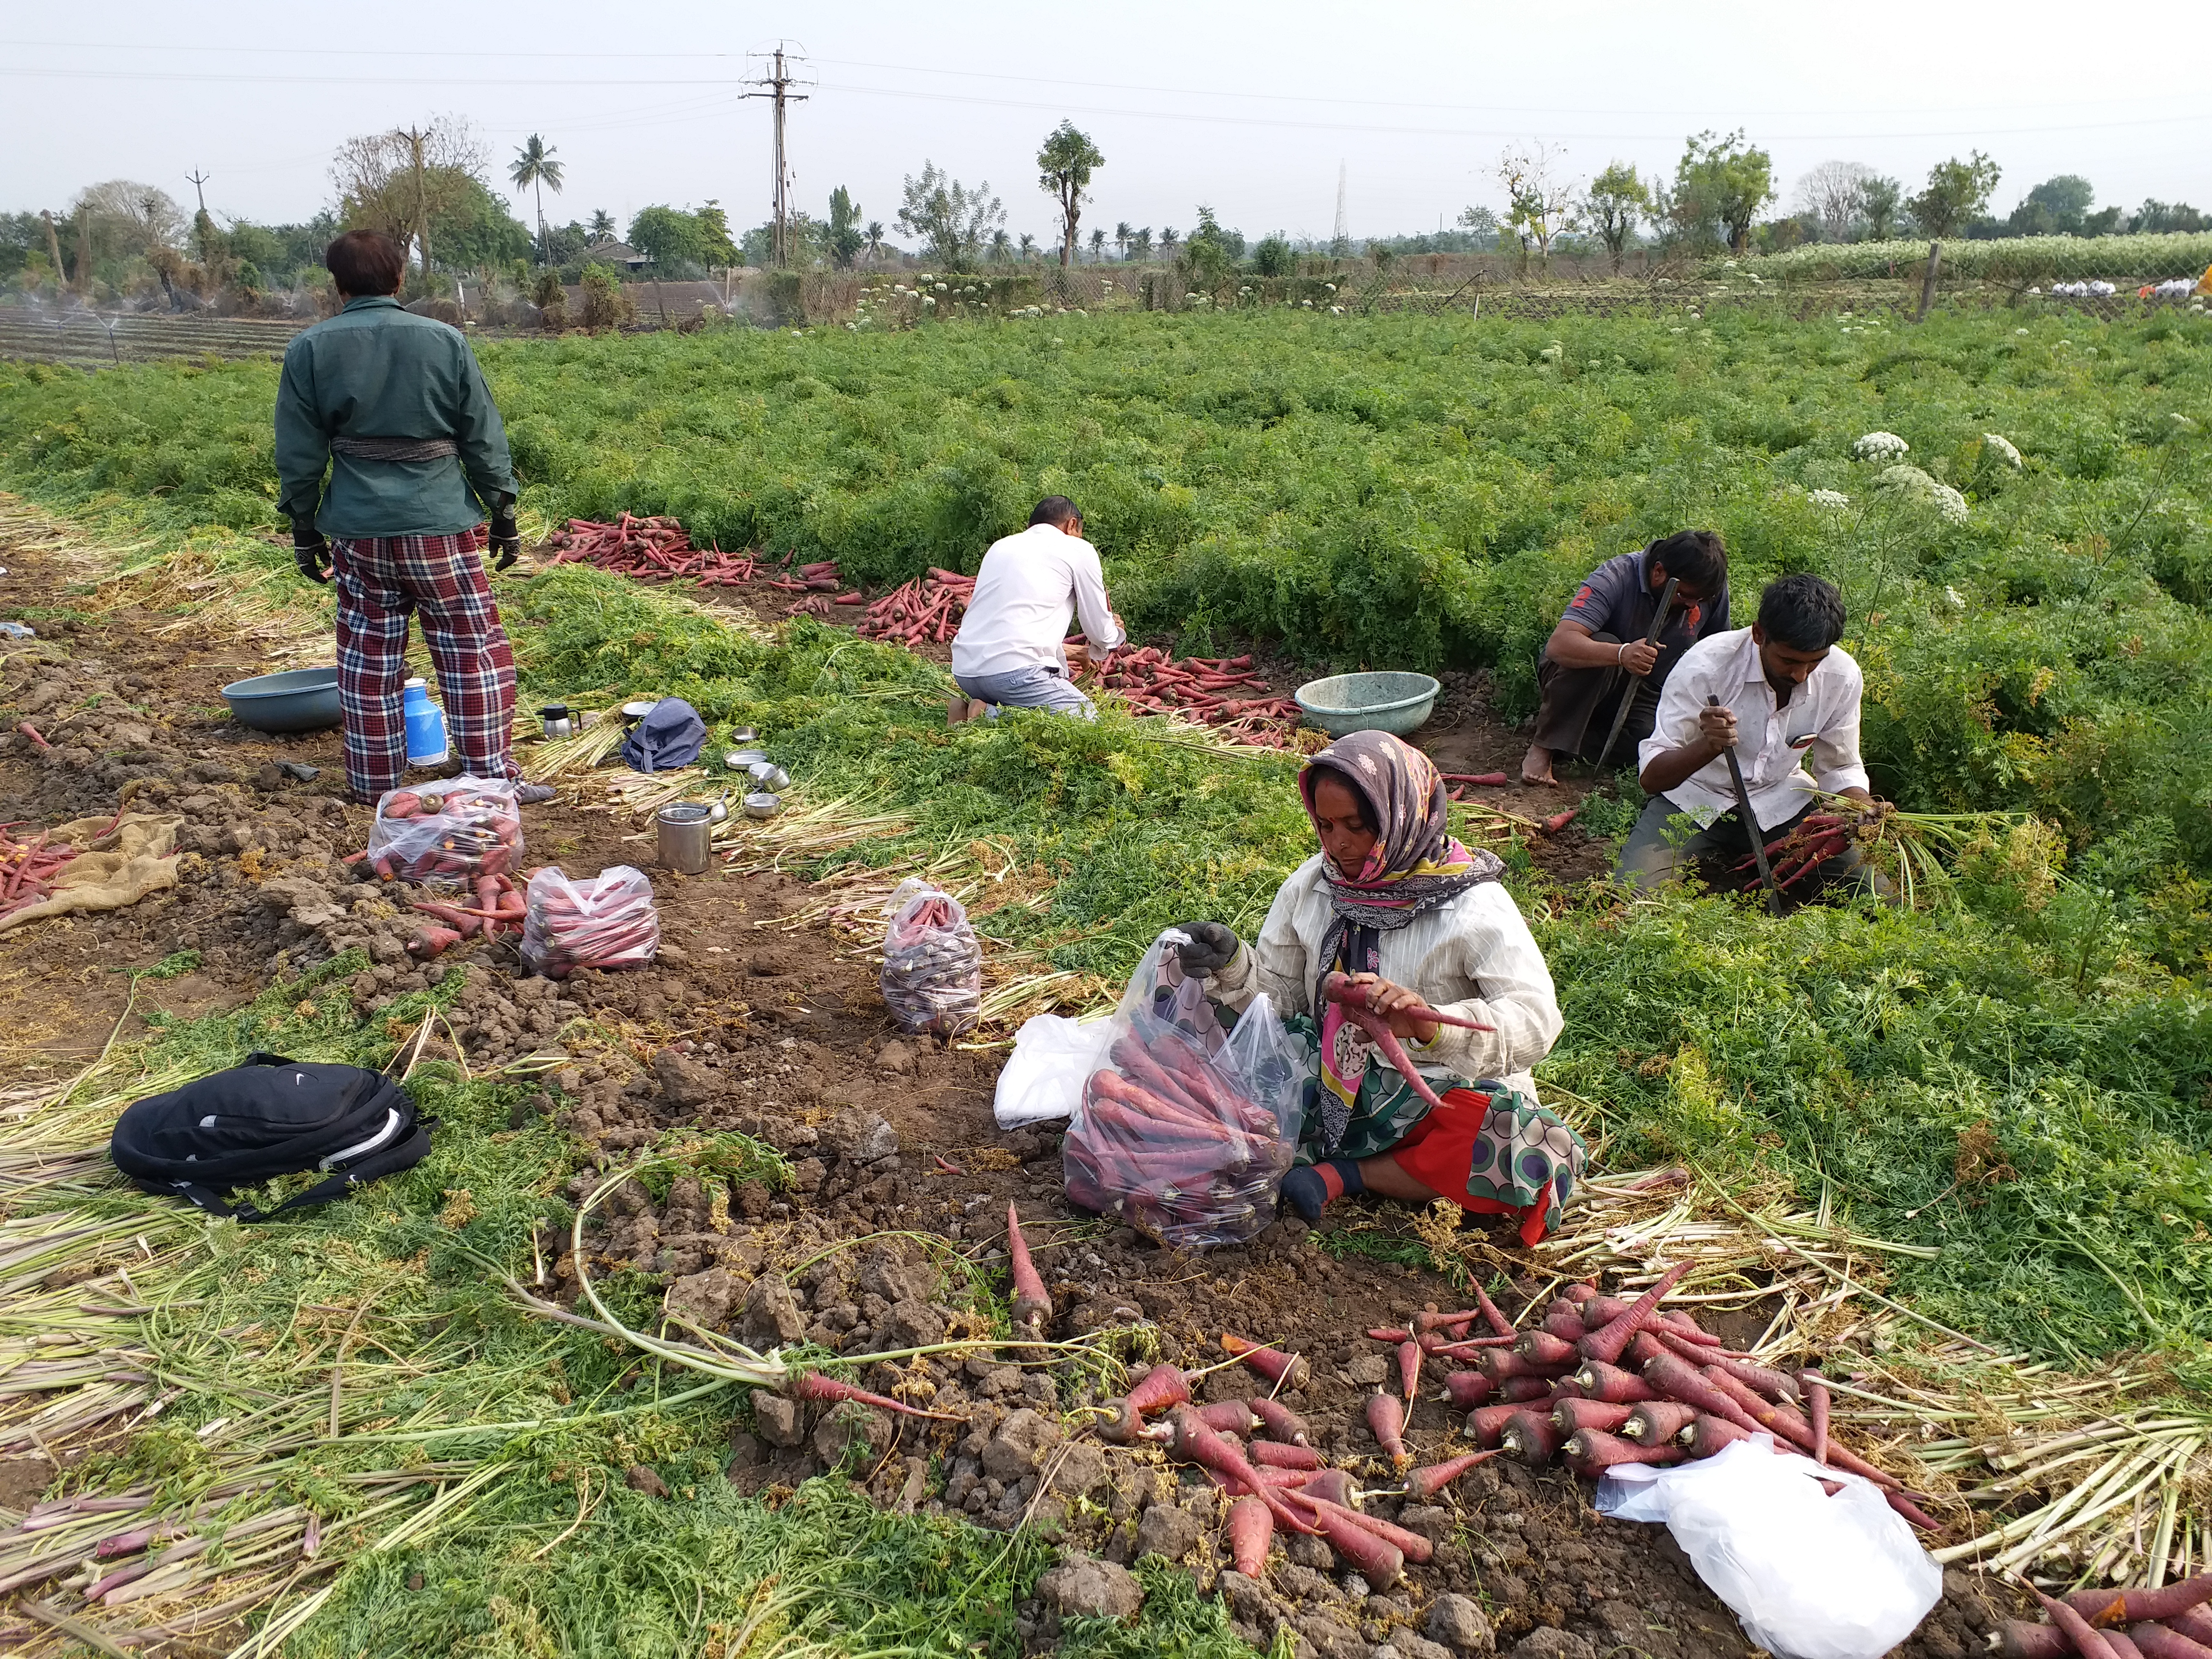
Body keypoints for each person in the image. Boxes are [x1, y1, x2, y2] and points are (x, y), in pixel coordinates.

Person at [1172, 732, 1582, 1244]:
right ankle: (1316, 1152)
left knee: (1534, 1148)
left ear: (1400, 817)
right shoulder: (1312, 885)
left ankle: (1343, 1173)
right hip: (1328, 1075)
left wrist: (1431, 1025)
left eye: (1356, 827)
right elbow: (1282, 998)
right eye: (1324, 824)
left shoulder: (1473, 906)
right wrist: (1233, 967)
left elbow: (1536, 1019)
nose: (1336, 843)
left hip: (1431, 1095)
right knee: (1196, 1024)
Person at [275, 229, 552, 807]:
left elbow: (300, 453)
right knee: (470, 647)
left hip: (359, 530)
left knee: (368, 656)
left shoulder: (310, 349)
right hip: (440, 525)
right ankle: (490, 778)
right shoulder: (444, 340)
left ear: (338, 284)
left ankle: (374, 785)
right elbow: (481, 432)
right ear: (400, 279)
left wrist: (305, 528)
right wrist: (503, 510)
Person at [1617, 573, 1880, 893]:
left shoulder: (1842, 676)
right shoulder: (1706, 668)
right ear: (1759, 634)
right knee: (1632, 894)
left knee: (1879, 894)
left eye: (1814, 663)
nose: (1800, 675)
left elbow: (1840, 767)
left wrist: (1862, 808)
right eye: (1789, 661)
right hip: (1695, 799)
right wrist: (1707, 747)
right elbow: (1653, 779)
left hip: (1781, 800)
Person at [1521, 529, 1731, 786]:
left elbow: (1718, 650)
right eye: (1685, 596)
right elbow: (1560, 645)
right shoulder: (1615, 577)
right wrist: (1622, 654)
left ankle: (1574, 740)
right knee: (1604, 646)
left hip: (1647, 689)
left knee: (1645, 741)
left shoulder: (1706, 591)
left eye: (1699, 600)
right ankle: (1545, 745)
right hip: (1586, 678)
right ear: (1658, 572)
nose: (1692, 605)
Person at [949, 497, 1125, 721]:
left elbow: (1014, 627)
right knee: (1087, 719)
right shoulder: (1078, 548)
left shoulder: (1001, 546)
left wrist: (1076, 652)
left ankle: (972, 708)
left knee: (1024, 699)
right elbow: (1099, 629)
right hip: (1015, 675)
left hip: (965, 673)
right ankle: (988, 715)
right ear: (1072, 525)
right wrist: (1114, 634)